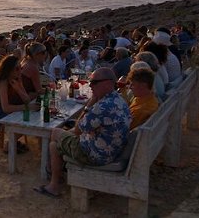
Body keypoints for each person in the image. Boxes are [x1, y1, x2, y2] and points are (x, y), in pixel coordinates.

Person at [35, 68, 131, 198]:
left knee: (55, 135)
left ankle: (54, 184)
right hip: (111, 150)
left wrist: (89, 105)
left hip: (96, 155)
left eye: (94, 82)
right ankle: (56, 176)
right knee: (58, 140)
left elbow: (77, 130)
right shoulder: (119, 100)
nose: (91, 85)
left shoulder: (102, 106)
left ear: (108, 83)